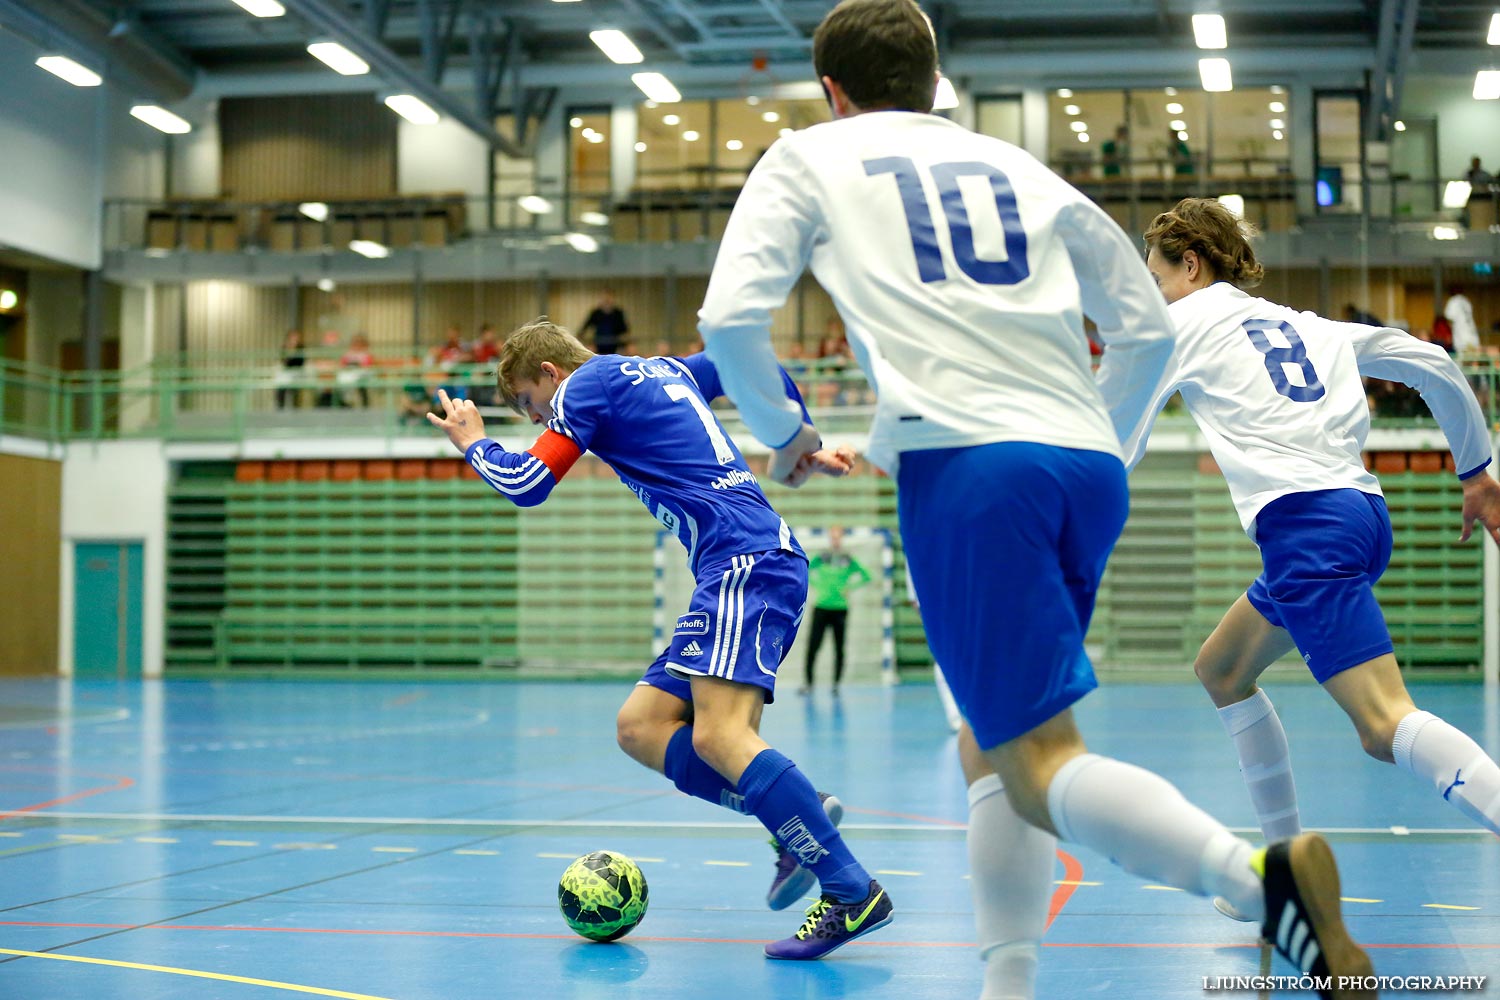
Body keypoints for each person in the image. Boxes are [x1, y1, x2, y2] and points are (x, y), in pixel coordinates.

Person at [696, 3, 1371, 996]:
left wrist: (788, 436)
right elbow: (1142, 329)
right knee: (992, 742)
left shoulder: (809, 158)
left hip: (972, 470)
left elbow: (729, 317)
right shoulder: (1021, 168)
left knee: (1039, 759)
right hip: (1083, 466)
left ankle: (1259, 881)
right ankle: (1006, 979)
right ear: (934, 84)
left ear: (832, 93)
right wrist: (1101, 436)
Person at [426, 318, 894, 959]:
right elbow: (748, 367)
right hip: (736, 567)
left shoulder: (583, 387)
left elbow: (527, 485)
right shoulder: (661, 369)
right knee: (641, 727)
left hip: (744, 564)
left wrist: (475, 443)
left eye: (534, 407)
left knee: (717, 735)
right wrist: (797, 445)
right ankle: (799, 815)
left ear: (549, 375)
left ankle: (850, 890)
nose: (543, 423)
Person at [1129, 197, 1500, 920]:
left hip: (1304, 527)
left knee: (1383, 725)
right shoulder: (1305, 325)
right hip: (1362, 515)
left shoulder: (1177, 326)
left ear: (1191, 264)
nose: (1152, 293)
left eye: (1156, 275)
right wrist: (1477, 472)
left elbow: (1122, 438)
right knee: (1223, 669)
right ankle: (1286, 870)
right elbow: (1428, 362)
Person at [801, 525, 872, 695]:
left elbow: (866, 576)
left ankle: (836, 684)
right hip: (821, 607)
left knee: (839, 647)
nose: (835, 540)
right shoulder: (823, 557)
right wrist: (819, 586)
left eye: (838, 536)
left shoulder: (847, 559)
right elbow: (806, 570)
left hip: (840, 609)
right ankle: (809, 684)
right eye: (833, 536)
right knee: (813, 646)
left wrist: (849, 587)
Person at [580, 290, 630, 355]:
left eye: (609, 298)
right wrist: (583, 338)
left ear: (613, 299)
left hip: (614, 343)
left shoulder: (618, 313)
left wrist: (623, 342)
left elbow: (625, 330)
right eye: (604, 298)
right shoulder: (596, 313)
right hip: (599, 343)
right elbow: (585, 327)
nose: (606, 300)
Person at [1445, 287, 1480, 354]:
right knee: (1473, 359)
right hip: (1472, 336)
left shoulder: (1453, 301)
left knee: (1462, 360)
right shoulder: (1466, 301)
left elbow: (1449, 317)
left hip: (1461, 337)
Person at [276, 329, 305, 409]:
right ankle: (280, 407)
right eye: (292, 337)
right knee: (281, 387)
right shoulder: (285, 347)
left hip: (296, 372)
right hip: (286, 373)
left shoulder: (301, 348)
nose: (294, 339)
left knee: (294, 389)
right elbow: (283, 361)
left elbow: (300, 362)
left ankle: (295, 408)